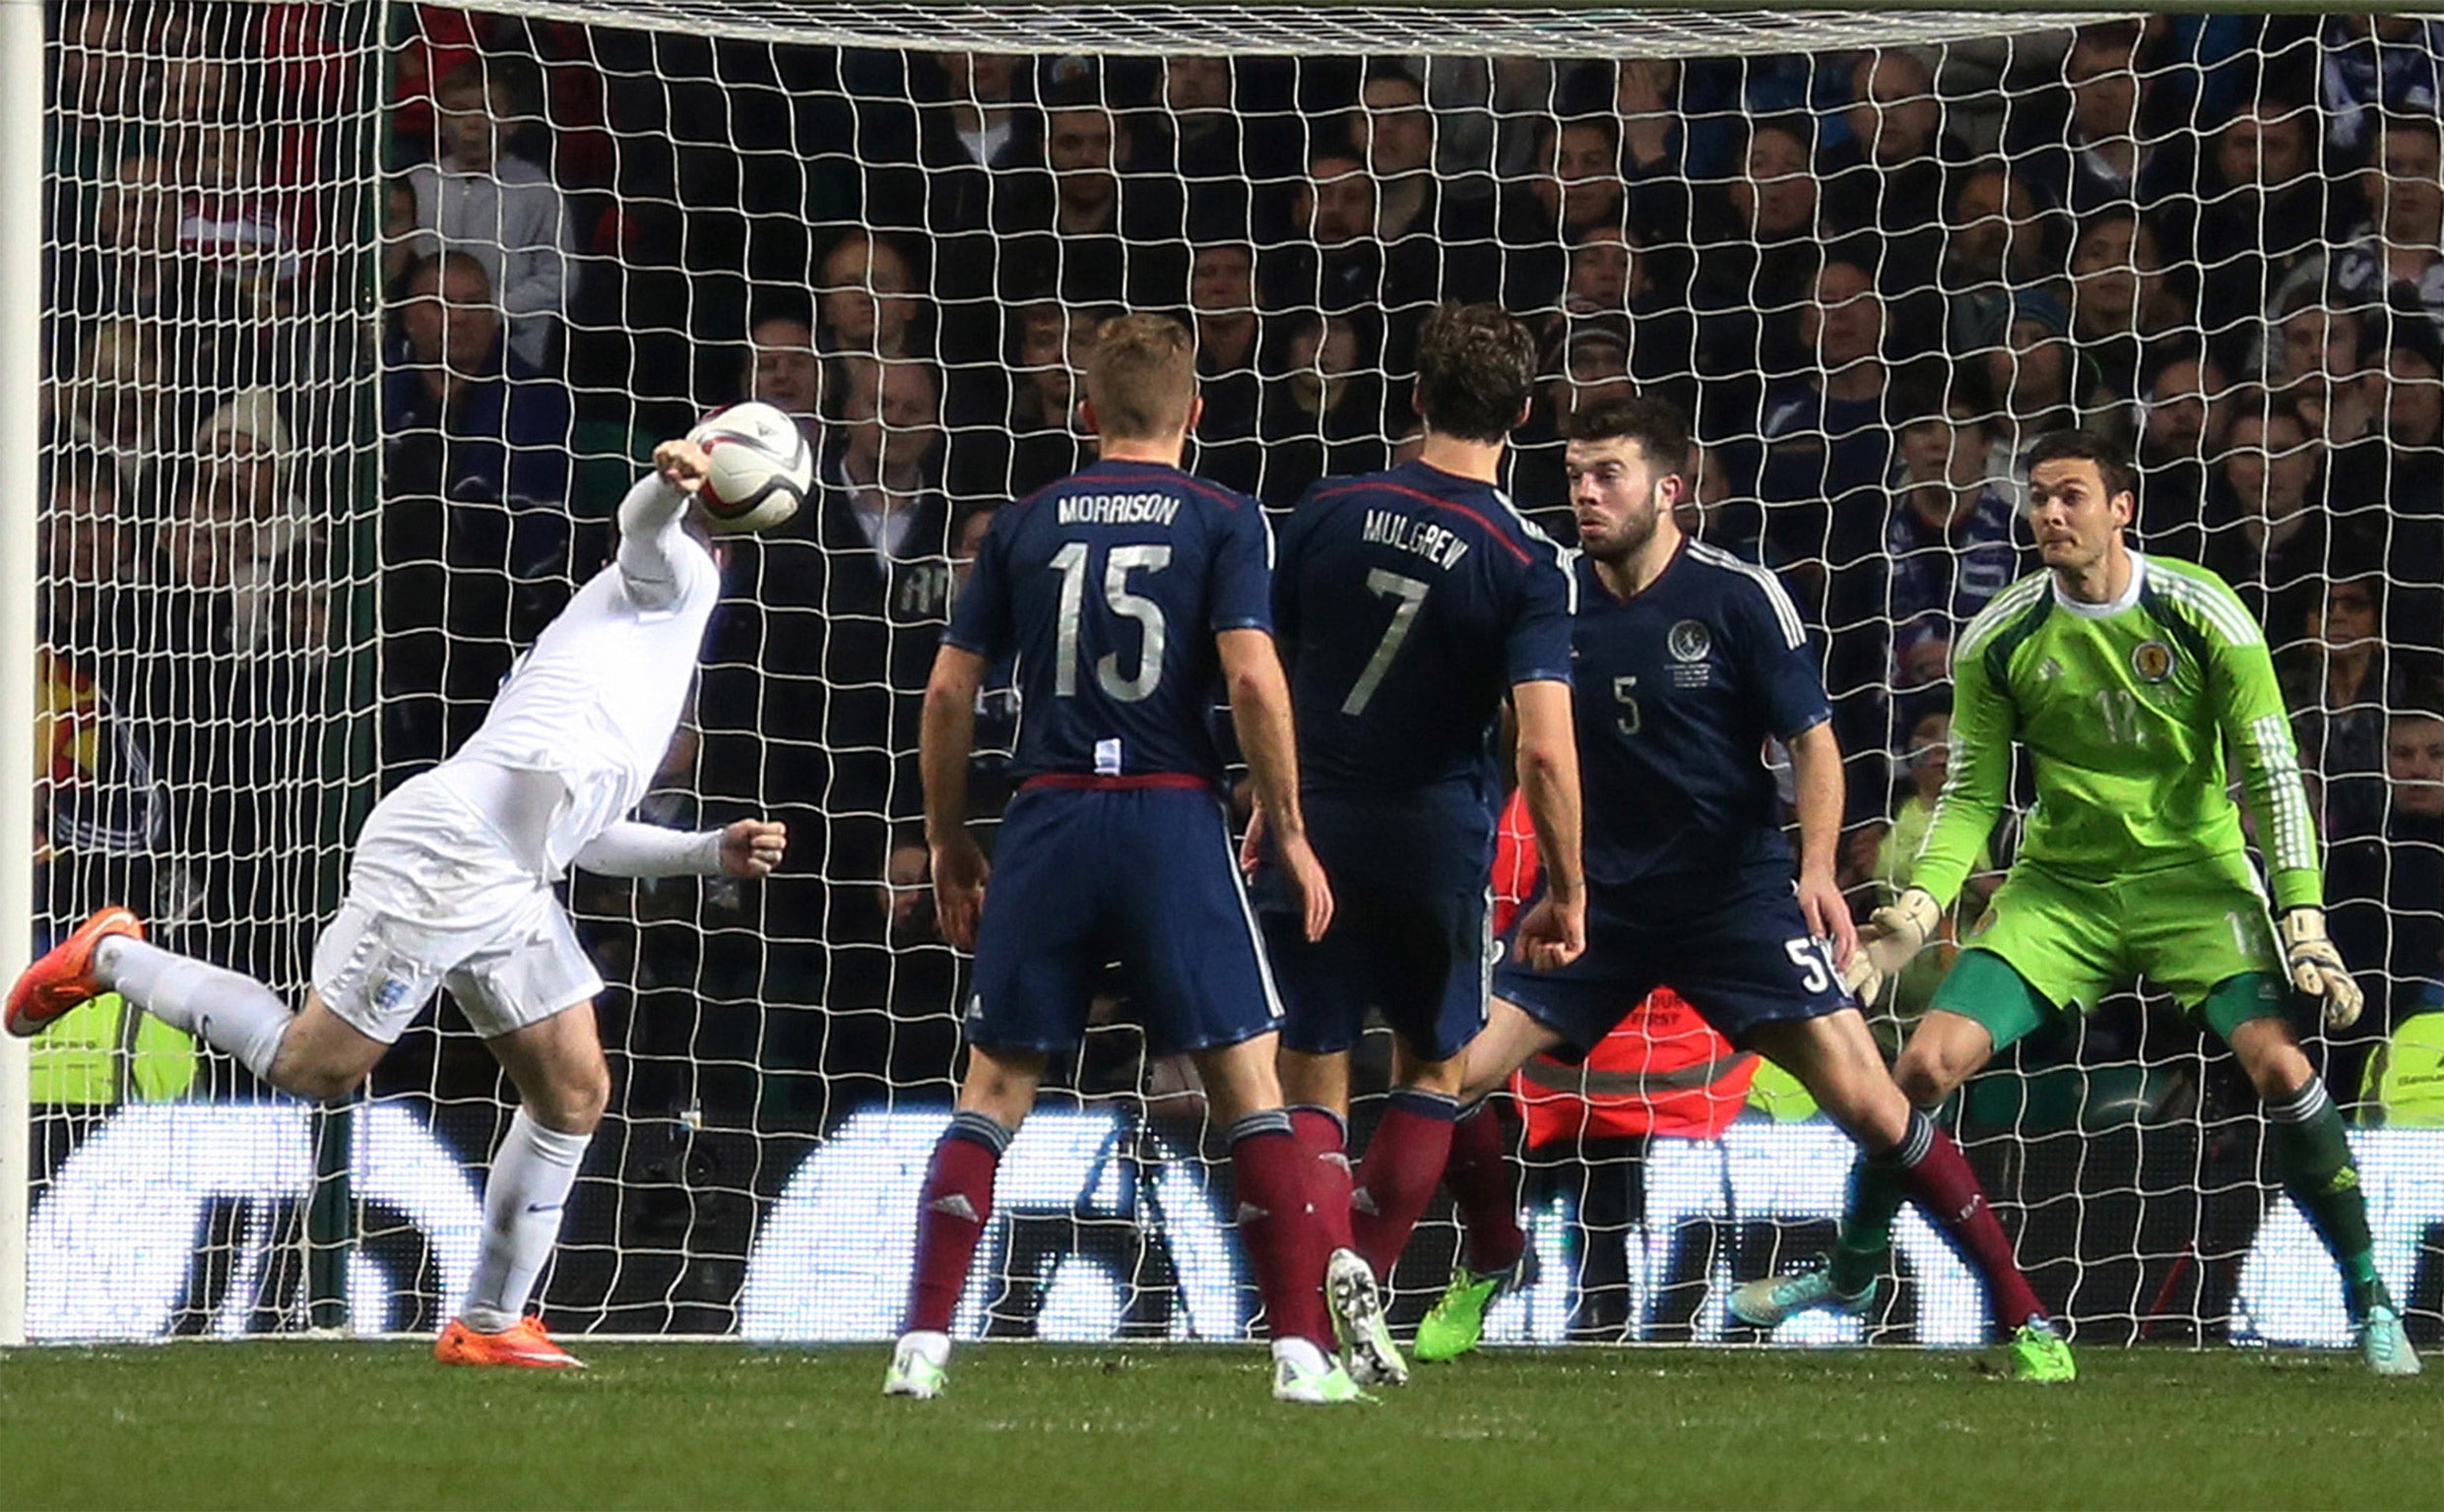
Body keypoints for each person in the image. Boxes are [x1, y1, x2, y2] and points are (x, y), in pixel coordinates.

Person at [6, 439, 792, 1368]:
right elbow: (639, 532)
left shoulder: (639, 650)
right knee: (315, 1067)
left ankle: (489, 1324)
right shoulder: (677, 579)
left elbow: (583, 836)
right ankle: (109, 955)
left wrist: (708, 851)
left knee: (574, 1091)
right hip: (447, 856)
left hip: (508, 876)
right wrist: (666, 490)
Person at [1409, 395, 2074, 1382]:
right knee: (1447, 1078)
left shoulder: (1735, 594)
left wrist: (1812, 870)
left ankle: (2024, 1317)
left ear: (1670, 490)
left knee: (1875, 1107)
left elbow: (1813, 742)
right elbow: (1517, 737)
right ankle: (1497, 1257)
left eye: (1608, 476)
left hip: (1732, 902)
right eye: (1574, 476)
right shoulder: (1545, 592)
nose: (1584, 495)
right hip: (1598, 907)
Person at [1755, 428, 2420, 1377]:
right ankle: (1852, 1270)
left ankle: (2368, 1296)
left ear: (2121, 509)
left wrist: (2303, 915)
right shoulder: (2004, 634)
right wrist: (1914, 909)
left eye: (2070, 494)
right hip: (2061, 894)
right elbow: (1975, 791)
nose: (2049, 514)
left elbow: (2272, 772)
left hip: (2193, 884)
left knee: (2279, 1068)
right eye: (2037, 498)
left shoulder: (2203, 613)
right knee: (1923, 1068)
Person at [884, 313, 1357, 1406]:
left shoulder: (1021, 523)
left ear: (1086, 416)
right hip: (1168, 814)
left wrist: (952, 839)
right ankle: (1295, 1353)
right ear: (1195, 415)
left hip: (1047, 815)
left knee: (995, 1087)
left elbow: (949, 691)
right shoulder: (1225, 518)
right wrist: (1284, 821)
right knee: (1248, 1083)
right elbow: (1248, 680)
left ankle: (921, 1344)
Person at [1250, 302, 1581, 1388]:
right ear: (1523, 416)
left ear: (1413, 398)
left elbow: (1268, 672)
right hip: (1437, 833)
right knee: (1434, 1069)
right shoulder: (1528, 561)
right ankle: (1365, 1268)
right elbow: (1540, 748)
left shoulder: (1327, 505)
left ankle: (1302, 1311)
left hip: (1320, 828)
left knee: (1311, 1074)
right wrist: (1568, 885)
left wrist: (1274, 802)